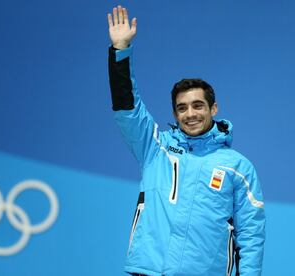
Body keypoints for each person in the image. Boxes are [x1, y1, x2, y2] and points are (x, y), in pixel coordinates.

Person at [107, 5, 265, 276]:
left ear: (213, 109)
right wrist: (121, 52)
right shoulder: (155, 148)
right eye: (182, 108)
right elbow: (128, 110)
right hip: (148, 271)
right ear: (175, 113)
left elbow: (250, 235)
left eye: (197, 105)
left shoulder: (239, 167)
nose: (190, 114)